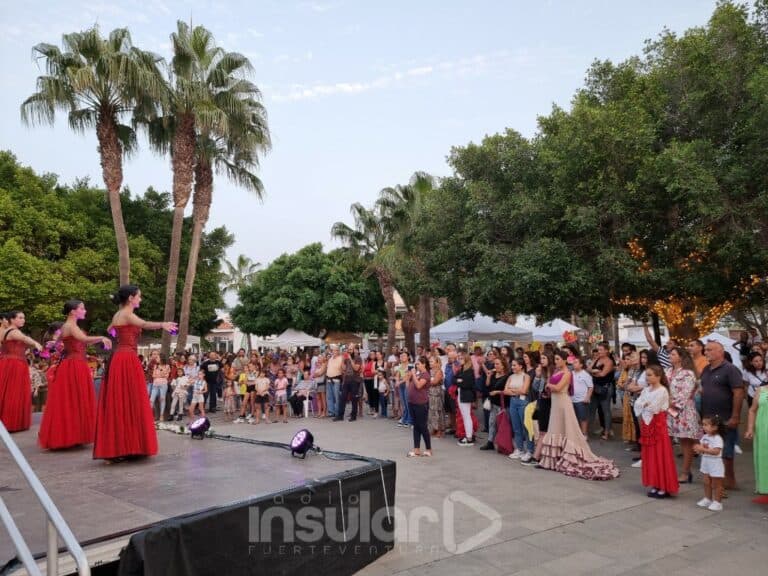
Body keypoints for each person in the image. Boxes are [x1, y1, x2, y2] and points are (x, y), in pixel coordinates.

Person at [93, 285, 177, 461]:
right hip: (127, 358)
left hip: (121, 356)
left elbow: (110, 329)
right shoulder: (126, 314)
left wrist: (118, 337)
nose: (140, 299)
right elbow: (144, 324)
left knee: (123, 399)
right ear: (131, 298)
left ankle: (125, 446)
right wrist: (163, 324)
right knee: (131, 398)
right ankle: (129, 445)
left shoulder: (119, 314)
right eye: (139, 296)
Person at [38, 300, 111, 450]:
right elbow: (83, 339)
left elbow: (61, 343)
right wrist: (102, 337)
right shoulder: (70, 326)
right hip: (73, 366)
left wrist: (54, 345)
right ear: (73, 311)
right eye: (82, 308)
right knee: (73, 400)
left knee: (74, 400)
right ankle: (68, 436)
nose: (85, 311)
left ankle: (74, 435)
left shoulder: (69, 326)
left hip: (75, 365)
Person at [538, 351, 619, 480]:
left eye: (558, 359)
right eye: (555, 359)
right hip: (555, 403)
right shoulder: (556, 371)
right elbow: (551, 386)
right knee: (555, 428)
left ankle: (569, 457)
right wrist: (548, 384)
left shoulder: (567, 373)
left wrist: (549, 385)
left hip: (563, 402)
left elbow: (558, 388)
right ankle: (553, 460)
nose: (556, 361)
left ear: (565, 360)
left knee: (570, 429)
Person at [700, 340, 744, 490]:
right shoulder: (706, 369)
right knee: (711, 450)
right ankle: (719, 481)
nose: (706, 352)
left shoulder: (730, 369)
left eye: (710, 350)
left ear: (720, 352)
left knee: (726, 452)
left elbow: (738, 393)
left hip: (725, 418)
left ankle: (729, 482)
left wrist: (735, 416)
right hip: (709, 419)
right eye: (705, 350)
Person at [634, 365, 679, 498]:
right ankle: (655, 483)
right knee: (650, 455)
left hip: (658, 425)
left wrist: (645, 404)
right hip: (647, 424)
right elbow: (638, 403)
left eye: (650, 375)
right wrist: (644, 404)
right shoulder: (646, 390)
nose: (647, 378)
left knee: (660, 453)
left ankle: (664, 486)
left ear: (658, 376)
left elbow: (655, 407)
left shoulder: (662, 390)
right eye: (646, 375)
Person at [0, 310, 43, 432]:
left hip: (10, 363)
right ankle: (10, 423)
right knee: (13, 392)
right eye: (20, 317)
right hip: (14, 364)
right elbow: (24, 338)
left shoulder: (6, 331)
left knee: (8, 392)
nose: (23, 320)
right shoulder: (13, 331)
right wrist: (35, 343)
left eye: (23, 317)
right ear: (12, 319)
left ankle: (8, 422)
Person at [666, 347, 701, 484]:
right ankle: (668, 470)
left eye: (673, 354)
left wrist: (670, 407)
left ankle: (686, 472)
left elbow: (685, 394)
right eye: (670, 354)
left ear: (681, 357)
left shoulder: (688, 373)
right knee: (667, 440)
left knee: (685, 442)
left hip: (684, 411)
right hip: (667, 410)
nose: (670, 356)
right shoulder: (667, 371)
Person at [694, 415, 726, 511]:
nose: (703, 427)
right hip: (706, 462)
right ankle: (708, 498)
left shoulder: (717, 438)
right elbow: (703, 448)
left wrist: (703, 449)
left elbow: (716, 451)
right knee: (706, 482)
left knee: (716, 484)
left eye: (706, 425)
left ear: (715, 427)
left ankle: (718, 502)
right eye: (703, 424)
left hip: (715, 463)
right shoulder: (704, 437)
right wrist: (698, 449)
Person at [505, 358, 534, 462]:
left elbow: (524, 390)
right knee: (516, 427)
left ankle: (530, 450)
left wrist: (512, 390)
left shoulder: (526, 376)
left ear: (521, 366)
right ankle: (519, 449)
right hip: (513, 401)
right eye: (512, 365)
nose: (512, 367)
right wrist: (517, 391)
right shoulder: (510, 377)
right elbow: (505, 391)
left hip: (523, 402)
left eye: (514, 365)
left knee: (526, 427)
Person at [745, 375, 768, 494]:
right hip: (762, 430)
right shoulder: (761, 390)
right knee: (764, 458)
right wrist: (750, 428)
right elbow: (752, 410)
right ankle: (765, 488)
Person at [407, 357, 432, 457]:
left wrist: (413, 374)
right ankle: (416, 449)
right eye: (416, 364)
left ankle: (428, 449)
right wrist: (410, 376)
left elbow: (418, 386)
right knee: (416, 426)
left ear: (424, 364)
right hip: (412, 402)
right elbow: (410, 385)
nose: (416, 365)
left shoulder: (425, 375)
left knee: (423, 426)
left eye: (418, 364)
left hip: (421, 403)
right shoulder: (418, 374)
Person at [589, 342, 615, 440]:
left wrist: (594, 372)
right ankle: (588, 430)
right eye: (598, 349)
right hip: (595, 387)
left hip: (605, 388)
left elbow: (603, 374)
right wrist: (595, 372)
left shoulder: (609, 361)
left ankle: (607, 432)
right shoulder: (597, 359)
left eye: (601, 350)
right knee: (592, 409)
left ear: (606, 351)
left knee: (605, 410)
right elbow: (588, 369)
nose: (599, 351)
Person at [571, 356, 594, 436]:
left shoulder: (585, 374)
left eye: (576, 362)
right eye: (573, 362)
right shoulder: (571, 373)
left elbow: (590, 387)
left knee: (583, 418)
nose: (574, 364)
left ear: (581, 365)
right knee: (574, 418)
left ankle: (584, 434)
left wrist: (587, 397)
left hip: (582, 400)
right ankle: (576, 434)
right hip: (571, 399)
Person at [335, 357, 363, 422]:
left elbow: (356, 368)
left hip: (355, 380)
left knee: (354, 399)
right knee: (342, 398)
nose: (348, 352)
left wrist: (350, 359)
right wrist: (342, 360)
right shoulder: (346, 359)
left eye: (350, 351)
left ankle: (353, 416)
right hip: (346, 380)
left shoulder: (358, 358)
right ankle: (340, 416)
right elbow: (343, 368)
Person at [427, 356, 445, 437]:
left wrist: (426, 381)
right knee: (431, 411)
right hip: (430, 393)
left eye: (432, 361)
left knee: (437, 411)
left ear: (437, 363)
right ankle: (434, 428)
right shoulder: (430, 371)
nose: (430, 363)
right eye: (429, 361)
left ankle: (439, 429)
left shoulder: (439, 371)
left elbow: (434, 382)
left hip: (436, 393)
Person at [150, 353, 171, 422]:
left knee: (162, 399)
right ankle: (149, 414)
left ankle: (161, 415)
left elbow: (166, 376)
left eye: (157, 358)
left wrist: (160, 373)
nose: (156, 359)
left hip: (163, 384)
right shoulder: (155, 366)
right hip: (155, 384)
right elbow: (153, 375)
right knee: (151, 399)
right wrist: (161, 375)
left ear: (161, 358)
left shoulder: (167, 366)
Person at [325, 345, 343, 419]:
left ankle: (337, 412)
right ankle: (331, 412)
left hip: (336, 380)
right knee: (329, 397)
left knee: (337, 397)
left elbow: (342, 369)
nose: (333, 352)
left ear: (338, 351)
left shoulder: (341, 358)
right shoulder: (330, 359)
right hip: (329, 379)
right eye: (332, 350)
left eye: (335, 350)